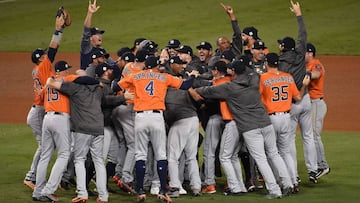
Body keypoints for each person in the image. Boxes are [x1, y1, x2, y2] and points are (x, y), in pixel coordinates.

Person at [188, 58, 293, 199]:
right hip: (266, 123)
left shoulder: (229, 88)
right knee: (274, 154)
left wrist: (192, 81)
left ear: (234, 73)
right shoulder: (254, 80)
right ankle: (288, 184)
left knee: (259, 158)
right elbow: (250, 72)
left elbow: (204, 90)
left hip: (250, 127)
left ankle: (274, 190)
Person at [118, 55, 199, 203]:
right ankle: (162, 191)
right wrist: (192, 76)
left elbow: (115, 87)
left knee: (140, 154)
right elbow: (185, 86)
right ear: (156, 66)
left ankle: (141, 191)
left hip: (140, 118)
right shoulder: (165, 77)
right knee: (161, 154)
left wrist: (127, 92)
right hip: (156, 118)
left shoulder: (135, 75)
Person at [46, 73, 109, 203]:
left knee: (79, 159)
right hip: (98, 128)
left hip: (83, 129)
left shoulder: (75, 87)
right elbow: (105, 89)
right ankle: (103, 196)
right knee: (99, 161)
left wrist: (51, 78)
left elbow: (50, 83)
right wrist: (98, 83)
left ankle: (82, 193)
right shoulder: (98, 90)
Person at [277, 0, 318, 183]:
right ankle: (313, 170)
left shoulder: (281, 62)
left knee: (290, 139)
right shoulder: (301, 52)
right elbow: (303, 34)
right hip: (307, 100)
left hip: (292, 103)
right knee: (308, 136)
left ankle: (294, 176)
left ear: (283, 47)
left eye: (280, 45)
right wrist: (299, 15)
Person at [24, 13, 66, 191]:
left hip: (39, 109)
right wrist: (58, 30)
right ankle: (31, 176)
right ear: (40, 59)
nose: (46, 56)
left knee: (47, 145)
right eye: (43, 56)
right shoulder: (43, 67)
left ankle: (36, 176)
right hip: (39, 111)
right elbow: (53, 48)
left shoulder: (39, 69)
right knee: (45, 146)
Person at [259, 53, 311, 193]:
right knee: (285, 152)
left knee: (272, 152)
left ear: (267, 63)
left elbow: (257, 98)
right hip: (286, 118)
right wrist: (304, 85)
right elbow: (298, 97)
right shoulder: (288, 77)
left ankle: (281, 182)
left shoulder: (263, 78)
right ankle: (294, 181)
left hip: (271, 118)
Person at [32, 61, 73, 202]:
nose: (68, 72)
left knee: (45, 155)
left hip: (47, 119)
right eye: (66, 70)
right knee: (64, 154)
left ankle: (37, 191)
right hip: (60, 119)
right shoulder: (67, 79)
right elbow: (81, 78)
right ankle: (48, 190)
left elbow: (40, 95)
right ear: (61, 71)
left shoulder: (49, 83)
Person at [165, 55, 202, 198]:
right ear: (172, 64)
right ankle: (196, 186)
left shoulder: (170, 82)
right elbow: (197, 99)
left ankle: (175, 187)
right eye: (179, 64)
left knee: (173, 157)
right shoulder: (183, 82)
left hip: (182, 121)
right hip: (192, 120)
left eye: (182, 64)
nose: (181, 66)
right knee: (191, 157)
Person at [305, 43, 330, 179]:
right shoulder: (306, 65)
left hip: (316, 104)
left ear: (310, 53)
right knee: (311, 135)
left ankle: (322, 165)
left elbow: (317, 74)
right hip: (310, 104)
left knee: (314, 135)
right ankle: (317, 164)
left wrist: (306, 73)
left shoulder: (316, 64)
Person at [80, 0, 115, 70]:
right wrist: (90, 13)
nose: (100, 36)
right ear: (90, 38)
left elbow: (113, 64)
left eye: (100, 34)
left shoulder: (102, 50)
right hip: (87, 78)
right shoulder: (87, 48)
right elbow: (86, 30)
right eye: (97, 34)